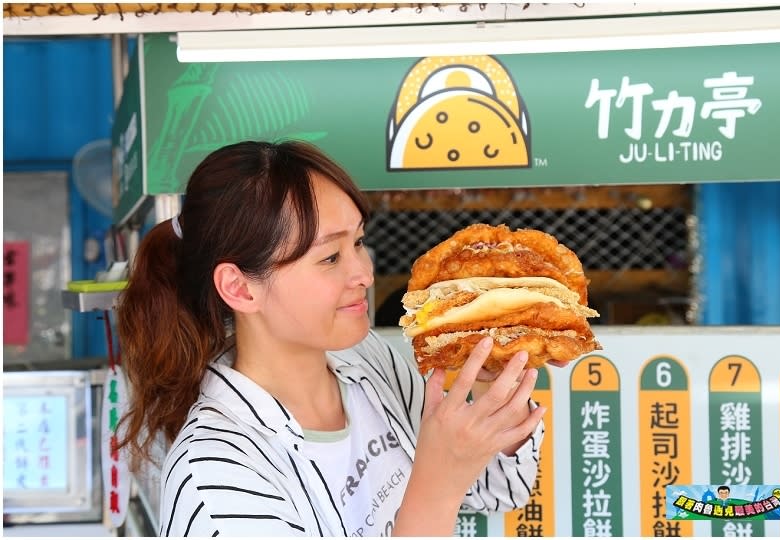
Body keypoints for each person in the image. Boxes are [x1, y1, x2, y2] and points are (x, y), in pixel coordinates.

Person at [116, 140, 553, 537]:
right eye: (330, 257)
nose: (363, 274)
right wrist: (436, 488)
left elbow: (500, 490)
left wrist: (495, 380)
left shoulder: (367, 360)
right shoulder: (216, 478)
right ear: (240, 288)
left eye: (359, 242)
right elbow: (446, 486)